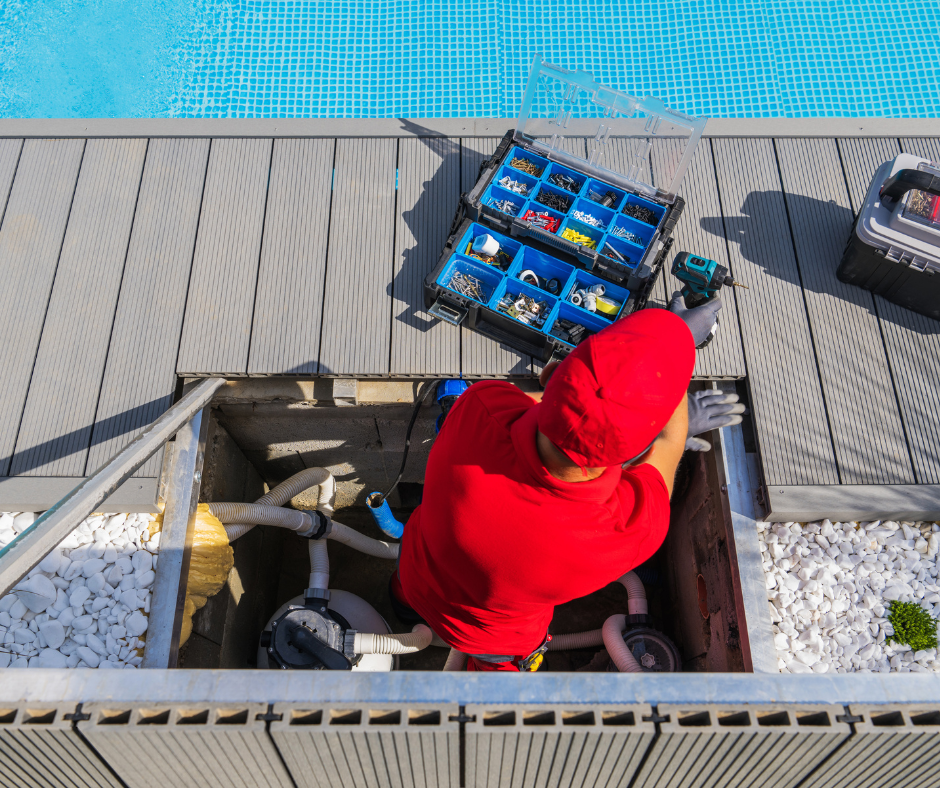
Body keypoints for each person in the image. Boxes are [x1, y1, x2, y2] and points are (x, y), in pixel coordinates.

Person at [390, 294, 743, 671]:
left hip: (416, 573)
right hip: (494, 641)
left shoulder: (481, 407)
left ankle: (396, 607)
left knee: (406, 594)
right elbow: (669, 448)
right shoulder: (627, 529)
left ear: (549, 374)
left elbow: (567, 410)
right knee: (498, 679)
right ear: (641, 447)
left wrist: (666, 339)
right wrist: (672, 363)